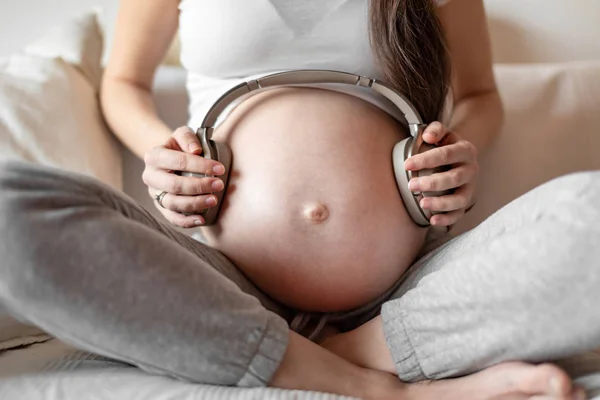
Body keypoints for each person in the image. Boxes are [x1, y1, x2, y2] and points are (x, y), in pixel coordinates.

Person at [0, 1, 599, 400]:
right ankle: (367, 384)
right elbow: (122, 83)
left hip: (414, 287)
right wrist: (163, 156)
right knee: (9, 214)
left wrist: (461, 148)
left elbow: (479, 93)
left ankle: (358, 350)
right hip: (220, 284)